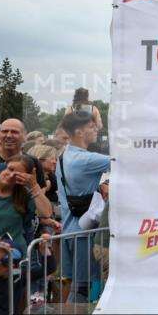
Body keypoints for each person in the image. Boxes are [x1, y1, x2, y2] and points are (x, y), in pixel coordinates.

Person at [56, 112, 110, 302]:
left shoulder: (64, 156)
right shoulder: (87, 160)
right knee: (82, 291)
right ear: (79, 132)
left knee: (77, 287)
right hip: (84, 233)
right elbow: (127, 162)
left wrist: (100, 185)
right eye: (91, 127)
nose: (96, 130)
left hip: (70, 230)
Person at [0, 119, 46, 188]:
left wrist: (33, 186)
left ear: (24, 135)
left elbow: (41, 192)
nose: (9, 135)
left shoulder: (33, 162)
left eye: (14, 132)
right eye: (5, 131)